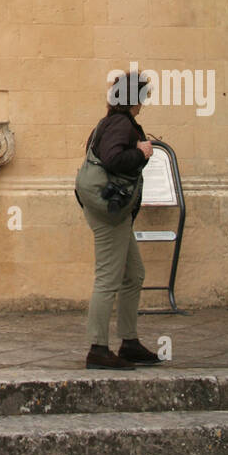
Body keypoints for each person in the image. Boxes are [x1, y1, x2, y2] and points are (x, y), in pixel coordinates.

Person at [75, 69, 162, 370]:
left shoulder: (112, 122)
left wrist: (136, 148)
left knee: (133, 274)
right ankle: (98, 348)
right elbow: (113, 159)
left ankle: (129, 342)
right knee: (108, 279)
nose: (144, 103)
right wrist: (141, 152)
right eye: (142, 96)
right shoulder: (120, 124)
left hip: (114, 212)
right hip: (110, 214)